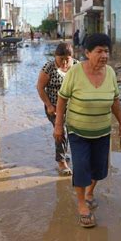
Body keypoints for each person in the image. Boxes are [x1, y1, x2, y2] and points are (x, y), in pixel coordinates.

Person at [54, 33, 121, 228]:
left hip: (102, 131)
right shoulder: (75, 72)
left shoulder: (110, 72)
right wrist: (58, 125)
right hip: (78, 130)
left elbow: (115, 100)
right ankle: (81, 205)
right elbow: (62, 99)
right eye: (99, 51)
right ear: (87, 53)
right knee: (81, 166)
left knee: (98, 168)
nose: (104, 55)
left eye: (107, 51)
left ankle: (90, 192)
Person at [37, 42, 77, 175]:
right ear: (55, 57)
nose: (64, 63)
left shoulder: (77, 67)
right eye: (61, 60)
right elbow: (40, 87)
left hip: (73, 108)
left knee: (72, 132)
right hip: (54, 107)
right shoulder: (49, 67)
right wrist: (48, 105)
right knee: (61, 130)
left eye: (67, 60)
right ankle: (61, 162)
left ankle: (64, 154)